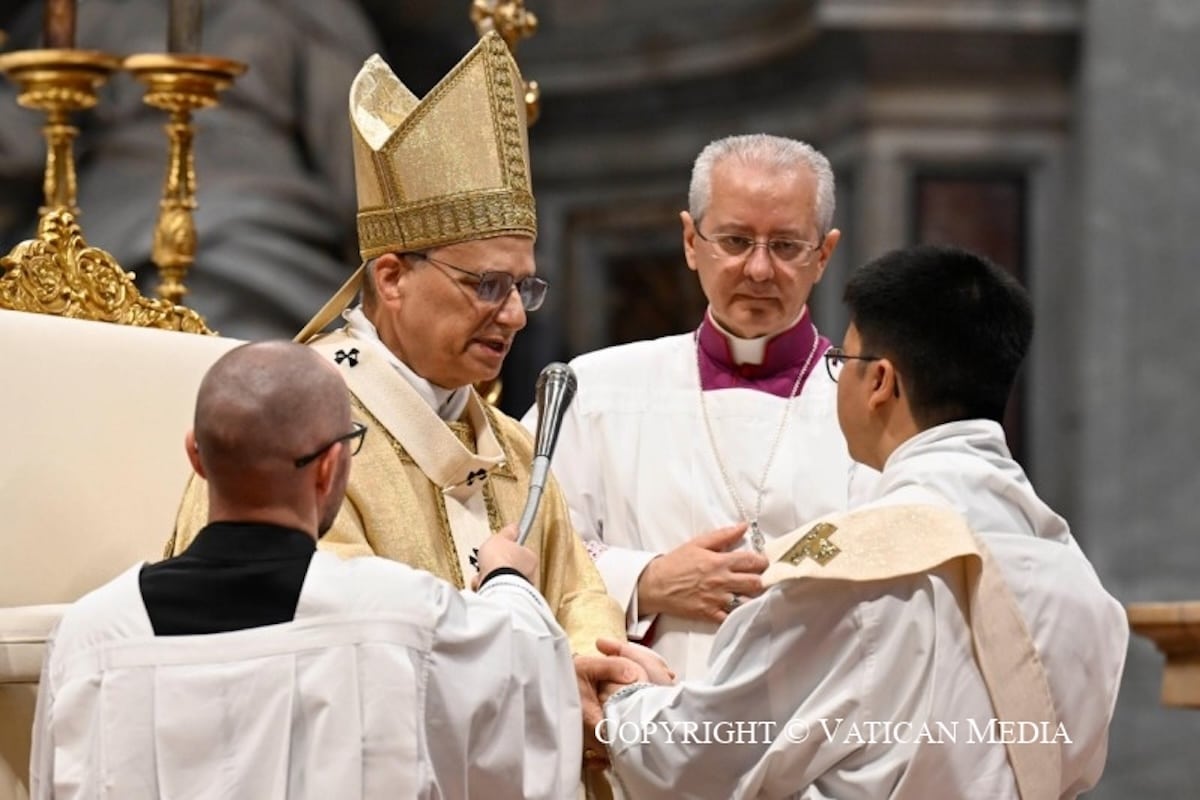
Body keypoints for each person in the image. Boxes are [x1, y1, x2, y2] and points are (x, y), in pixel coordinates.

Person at [167, 31, 629, 778]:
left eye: (524, 287)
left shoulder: (512, 449)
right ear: (390, 278)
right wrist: (536, 674)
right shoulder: (287, 429)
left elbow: (578, 591)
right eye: (487, 285)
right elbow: (312, 626)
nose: (515, 315)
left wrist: (590, 665)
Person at [595, 244, 1129, 798]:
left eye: (842, 361)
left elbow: (697, 757)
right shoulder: (1075, 577)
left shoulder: (860, 567)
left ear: (879, 382)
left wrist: (629, 700)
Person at [30, 341, 582, 800]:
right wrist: (506, 577)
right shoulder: (397, 615)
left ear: (196, 456)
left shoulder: (90, 635)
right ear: (329, 467)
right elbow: (527, 691)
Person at [525, 134, 864, 678]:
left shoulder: (872, 403)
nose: (759, 270)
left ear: (823, 255)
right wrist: (646, 580)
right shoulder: (595, 391)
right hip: (645, 715)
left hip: (820, 714)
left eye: (785, 246)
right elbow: (525, 545)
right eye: (735, 241)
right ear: (690, 241)